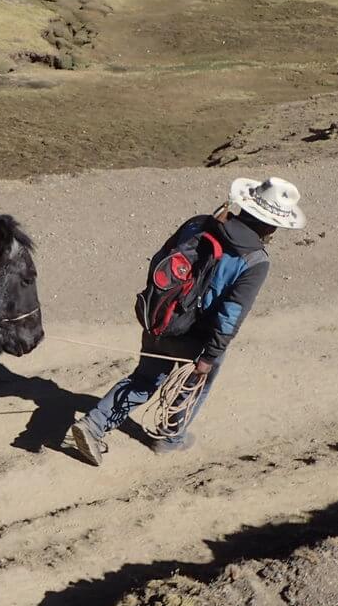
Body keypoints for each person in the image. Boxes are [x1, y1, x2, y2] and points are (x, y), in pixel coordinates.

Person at [69, 176, 306, 465]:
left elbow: (161, 260)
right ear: (271, 225)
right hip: (196, 337)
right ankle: (169, 438)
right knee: (194, 386)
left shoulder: (199, 223)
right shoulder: (256, 261)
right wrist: (210, 356)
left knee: (143, 379)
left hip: (160, 318)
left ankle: (93, 426)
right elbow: (231, 314)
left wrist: (158, 311)